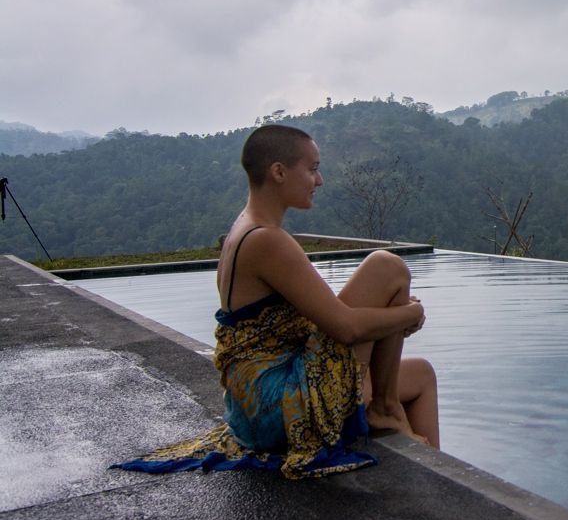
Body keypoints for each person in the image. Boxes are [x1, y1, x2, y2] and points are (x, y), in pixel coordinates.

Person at [114, 124, 438, 479]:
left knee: (421, 374)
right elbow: (345, 328)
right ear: (279, 172)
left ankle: (432, 473)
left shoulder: (247, 226)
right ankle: (387, 409)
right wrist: (410, 313)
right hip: (275, 408)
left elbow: (326, 314)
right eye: (312, 168)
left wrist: (397, 315)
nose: (320, 180)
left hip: (255, 406)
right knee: (387, 266)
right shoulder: (266, 240)